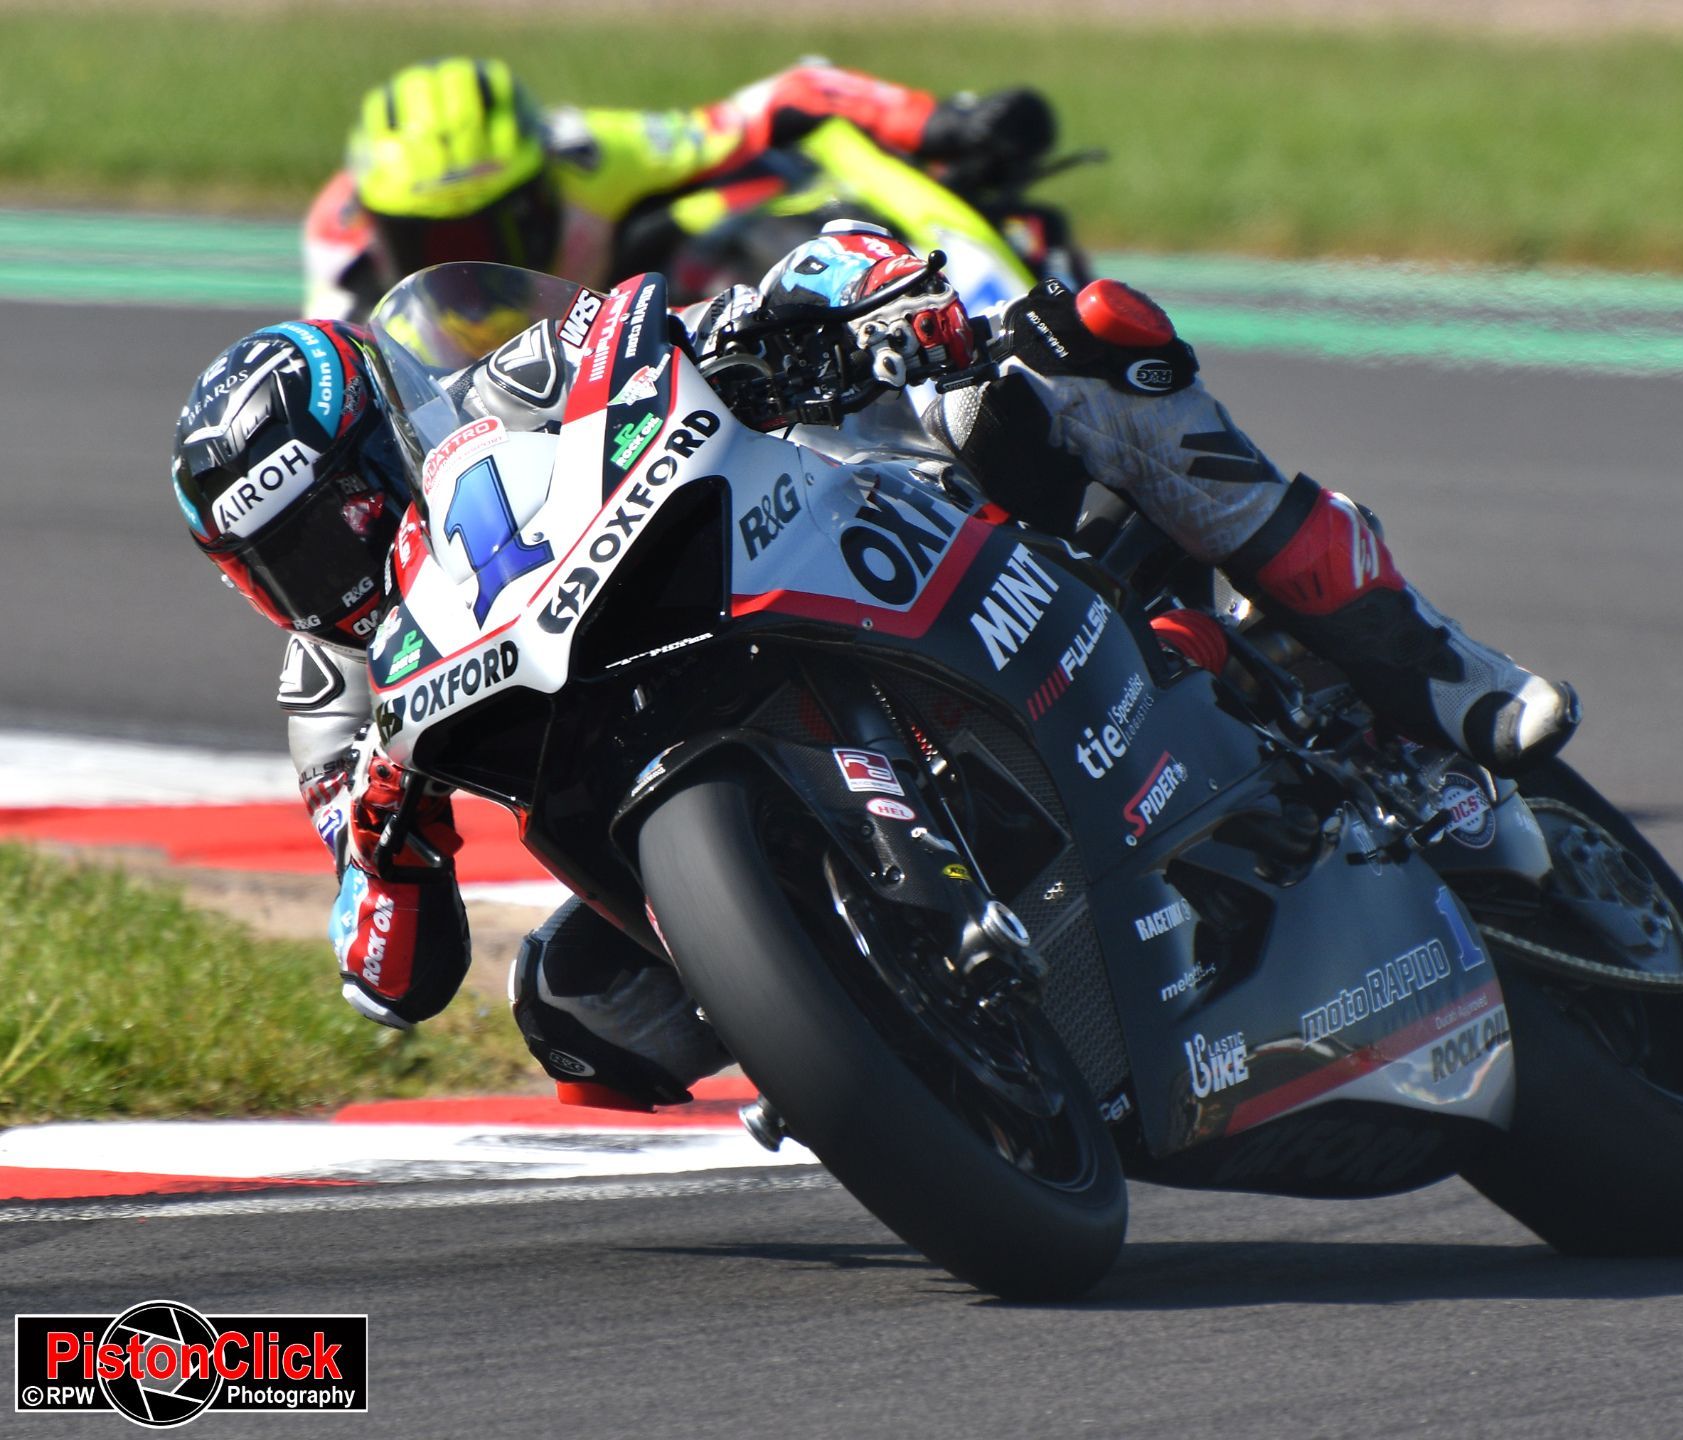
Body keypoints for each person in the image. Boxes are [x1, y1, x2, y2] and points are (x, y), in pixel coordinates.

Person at [170, 229, 1578, 1109]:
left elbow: (714, 310)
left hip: (818, 570)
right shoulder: (330, 702)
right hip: (657, 807)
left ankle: (1424, 681)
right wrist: (379, 842)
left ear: (385, 437)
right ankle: (869, 1046)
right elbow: (390, 979)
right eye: (294, 557)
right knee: (576, 1013)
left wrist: (846, 298)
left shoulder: (513, 395)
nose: (337, 559)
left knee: (1068, 355)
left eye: (342, 503)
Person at [304, 55, 1054, 322]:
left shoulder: (591, 159)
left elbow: (793, 97)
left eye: (483, 233)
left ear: (541, 191)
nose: (459, 262)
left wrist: (940, 122)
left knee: (739, 203)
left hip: (622, 342)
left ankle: (976, 293)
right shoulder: (339, 242)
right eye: (427, 239)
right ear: (378, 226)